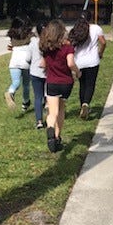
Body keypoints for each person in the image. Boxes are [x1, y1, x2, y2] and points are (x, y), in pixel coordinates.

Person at [39, 19, 80, 153]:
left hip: (52, 82)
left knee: (53, 112)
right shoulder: (68, 48)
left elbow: (43, 65)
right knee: (62, 109)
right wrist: (78, 72)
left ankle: (50, 131)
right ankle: (57, 136)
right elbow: (70, 64)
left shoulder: (46, 49)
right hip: (66, 83)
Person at [68, 9, 106, 120]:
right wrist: (100, 52)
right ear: (90, 18)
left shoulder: (75, 29)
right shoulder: (96, 28)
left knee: (82, 85)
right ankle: (86, 103)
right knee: (90, 84)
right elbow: (103, 42)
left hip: (79, 62)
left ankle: (82, 106)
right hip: (93, 61)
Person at [5, 16, 33, 112]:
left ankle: (10, 92)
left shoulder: (12, 36)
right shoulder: (30, 35)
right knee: (26, 84)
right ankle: (25, 103)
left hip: (14, 62)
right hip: (26, 61)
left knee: (16, 82)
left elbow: (11, 46)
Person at [26, 19, 48, 129]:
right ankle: (50, 117)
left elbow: (27, 58)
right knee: (49, 95)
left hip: (35, 72)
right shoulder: (50, 43)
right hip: (49, 73)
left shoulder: (33, 43)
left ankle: (39, 121)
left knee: (38, 97)